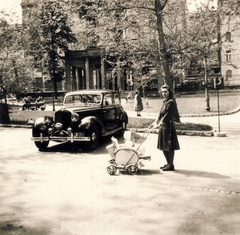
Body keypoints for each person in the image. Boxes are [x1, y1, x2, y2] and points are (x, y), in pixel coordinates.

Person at [149, 85, 180, 171]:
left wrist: (159, 124)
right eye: (162, 92)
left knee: (169, 146)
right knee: (163, 146)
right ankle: (168, 163)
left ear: (169, 92)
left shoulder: (171, 102)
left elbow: (167, 116)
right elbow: (160, 114)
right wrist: (155, 122)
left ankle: (171, 165)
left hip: (168, 126)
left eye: (165, 92)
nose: (164, 93)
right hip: (163, 126)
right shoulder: (164, 102)